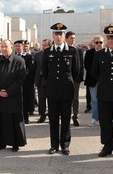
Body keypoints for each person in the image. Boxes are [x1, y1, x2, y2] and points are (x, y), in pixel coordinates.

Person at [42, 23, 79, 155]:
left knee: (65, 118)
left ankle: (65, 145)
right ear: (53, 35)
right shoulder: (47, 52)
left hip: (66, 91)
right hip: (52, 91)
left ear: (64, 35)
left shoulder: (72, 51)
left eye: (61, 34)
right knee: (53, 119)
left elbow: (76, 72)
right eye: (56, 34)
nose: (58, 36)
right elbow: (45, 73)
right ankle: (54, 145)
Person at [0, 39, 27, 152]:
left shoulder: (19, 61)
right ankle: (0, 143)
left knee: (14, 120)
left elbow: (21, 79)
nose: (4, 49)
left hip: (13, 96)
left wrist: (9, 92)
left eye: (6, 46)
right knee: (0, 120)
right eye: (2, 46)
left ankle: (15, 143)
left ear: (11, 47)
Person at [91, 25, 113, 157]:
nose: (110, 40)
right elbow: (94, 72)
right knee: (105, 121)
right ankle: (107, 146)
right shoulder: (99, 54)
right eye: (108, 37)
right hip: (104, 94)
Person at [84, 35, 104, 127]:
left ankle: (108, 118)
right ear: (93, 43)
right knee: (94, 100)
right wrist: (97, 76)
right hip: (92, 80)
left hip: (105, 80)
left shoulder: (107, 52)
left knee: (106, 100)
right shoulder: (89, 53)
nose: (99, 44)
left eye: (100, 42)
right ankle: (95, 118)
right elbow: (87, 66)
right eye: (97, 42)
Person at [65, 31, 84, 127]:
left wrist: (78, 78)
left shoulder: (78, 50)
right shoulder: (63, 49)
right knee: (65, 98)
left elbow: (80, 65)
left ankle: (75, 117)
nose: (73, 40)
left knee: (75, 98)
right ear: (66, 38)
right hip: (65, 79)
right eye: (71, 38)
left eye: (74, 38)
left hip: (75, 79)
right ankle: (66, 117)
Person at [14, 40, 35, 124]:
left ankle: (25, 117)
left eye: (19, 46)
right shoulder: (12, 56)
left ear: (23, 46)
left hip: (25, 82)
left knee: (25, 100)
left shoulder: (28, 57)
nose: (18, 48)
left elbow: (30, 70)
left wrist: (22, 78)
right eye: (16, 46)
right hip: (14, 82)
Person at [34, 39, 51, 123]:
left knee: (51, 99)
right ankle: (42, 115)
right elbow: (35, 68)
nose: (44, 47)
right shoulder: (38, 55)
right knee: (41, 99)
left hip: (50, 80)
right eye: (43, 45)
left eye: (46, 45)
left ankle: (52, 115)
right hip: (41, 80)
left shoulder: (53, 54)